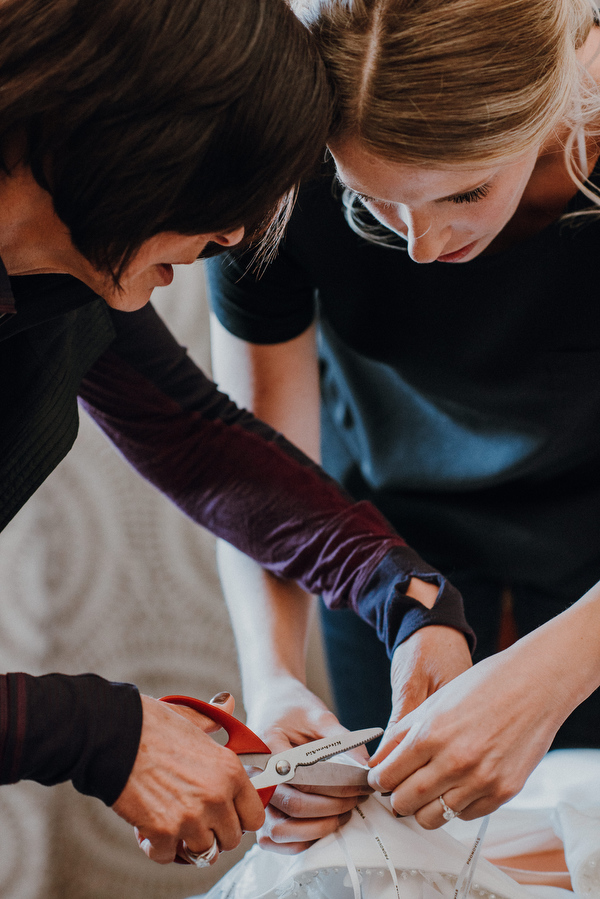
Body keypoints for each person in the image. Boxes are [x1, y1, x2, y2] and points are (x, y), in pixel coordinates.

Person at [0, 0, 475, 871]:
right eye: (234, 187)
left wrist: (405, 596)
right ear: (129, 131)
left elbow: (195, 436)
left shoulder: (64, 281)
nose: (240, 235)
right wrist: (96, 733)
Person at [206, 0, 600, 847]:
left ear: (568, 89)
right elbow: (255, 457)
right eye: (370, 201)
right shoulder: (275, 162)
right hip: (386, 542)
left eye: (465, 190)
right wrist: (272, 681)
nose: (421, 245)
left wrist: (564, 663)